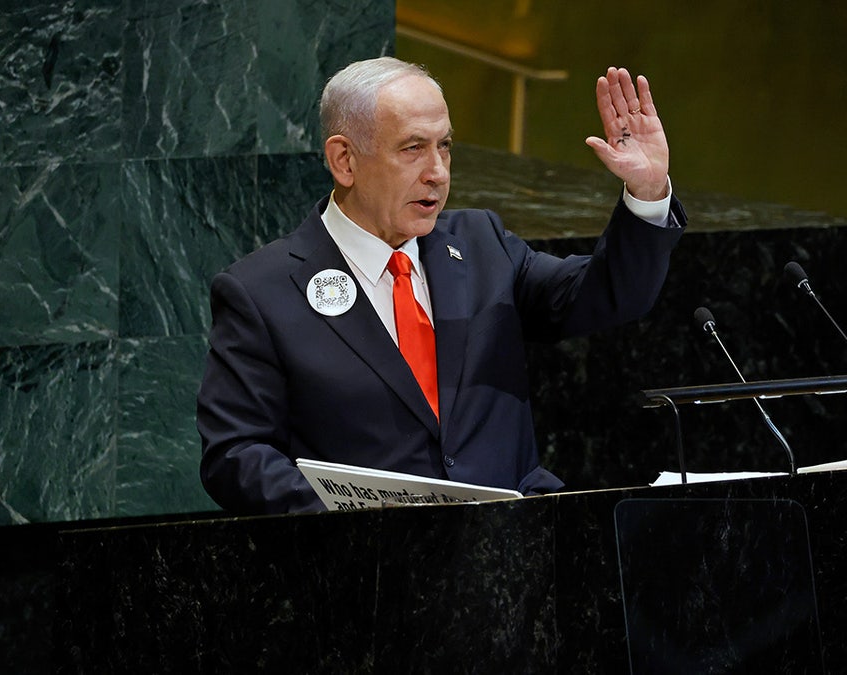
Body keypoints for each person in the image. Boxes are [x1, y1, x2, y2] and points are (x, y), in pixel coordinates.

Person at [197, 57, 686, 514]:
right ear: (344, 160)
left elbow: (608, 294)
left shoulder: (482, 245)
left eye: (445, 146)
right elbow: (235, 455)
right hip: (369, 578)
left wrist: (646, 193)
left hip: (516, 556)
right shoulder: (262, 291)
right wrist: (354, 516)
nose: (438, 172)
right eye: (413, 148)